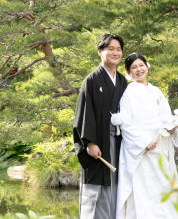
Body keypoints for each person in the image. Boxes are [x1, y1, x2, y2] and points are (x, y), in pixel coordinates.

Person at [113, 53, 178, 219]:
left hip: (160, 147)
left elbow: (166, 117)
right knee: (143, 190)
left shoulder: (156, 91)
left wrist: (172, 128)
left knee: (162, 187)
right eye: (134, 67)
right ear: (128, 72)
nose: (139, 70)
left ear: (147, 66)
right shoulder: (128, 93)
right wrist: (144, 142)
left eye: (141, 65)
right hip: (141, 151)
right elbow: (126, 123)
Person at [73, 33, 128, 219]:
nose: (115, 52)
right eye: (110, 49)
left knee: (114, 189)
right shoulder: (92, 80)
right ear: (100, 52)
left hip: (118, 143)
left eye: (118, 49)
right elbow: (84, 113)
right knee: (94, 192)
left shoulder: (122, 81)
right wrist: (89, 142)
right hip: (98, 145)